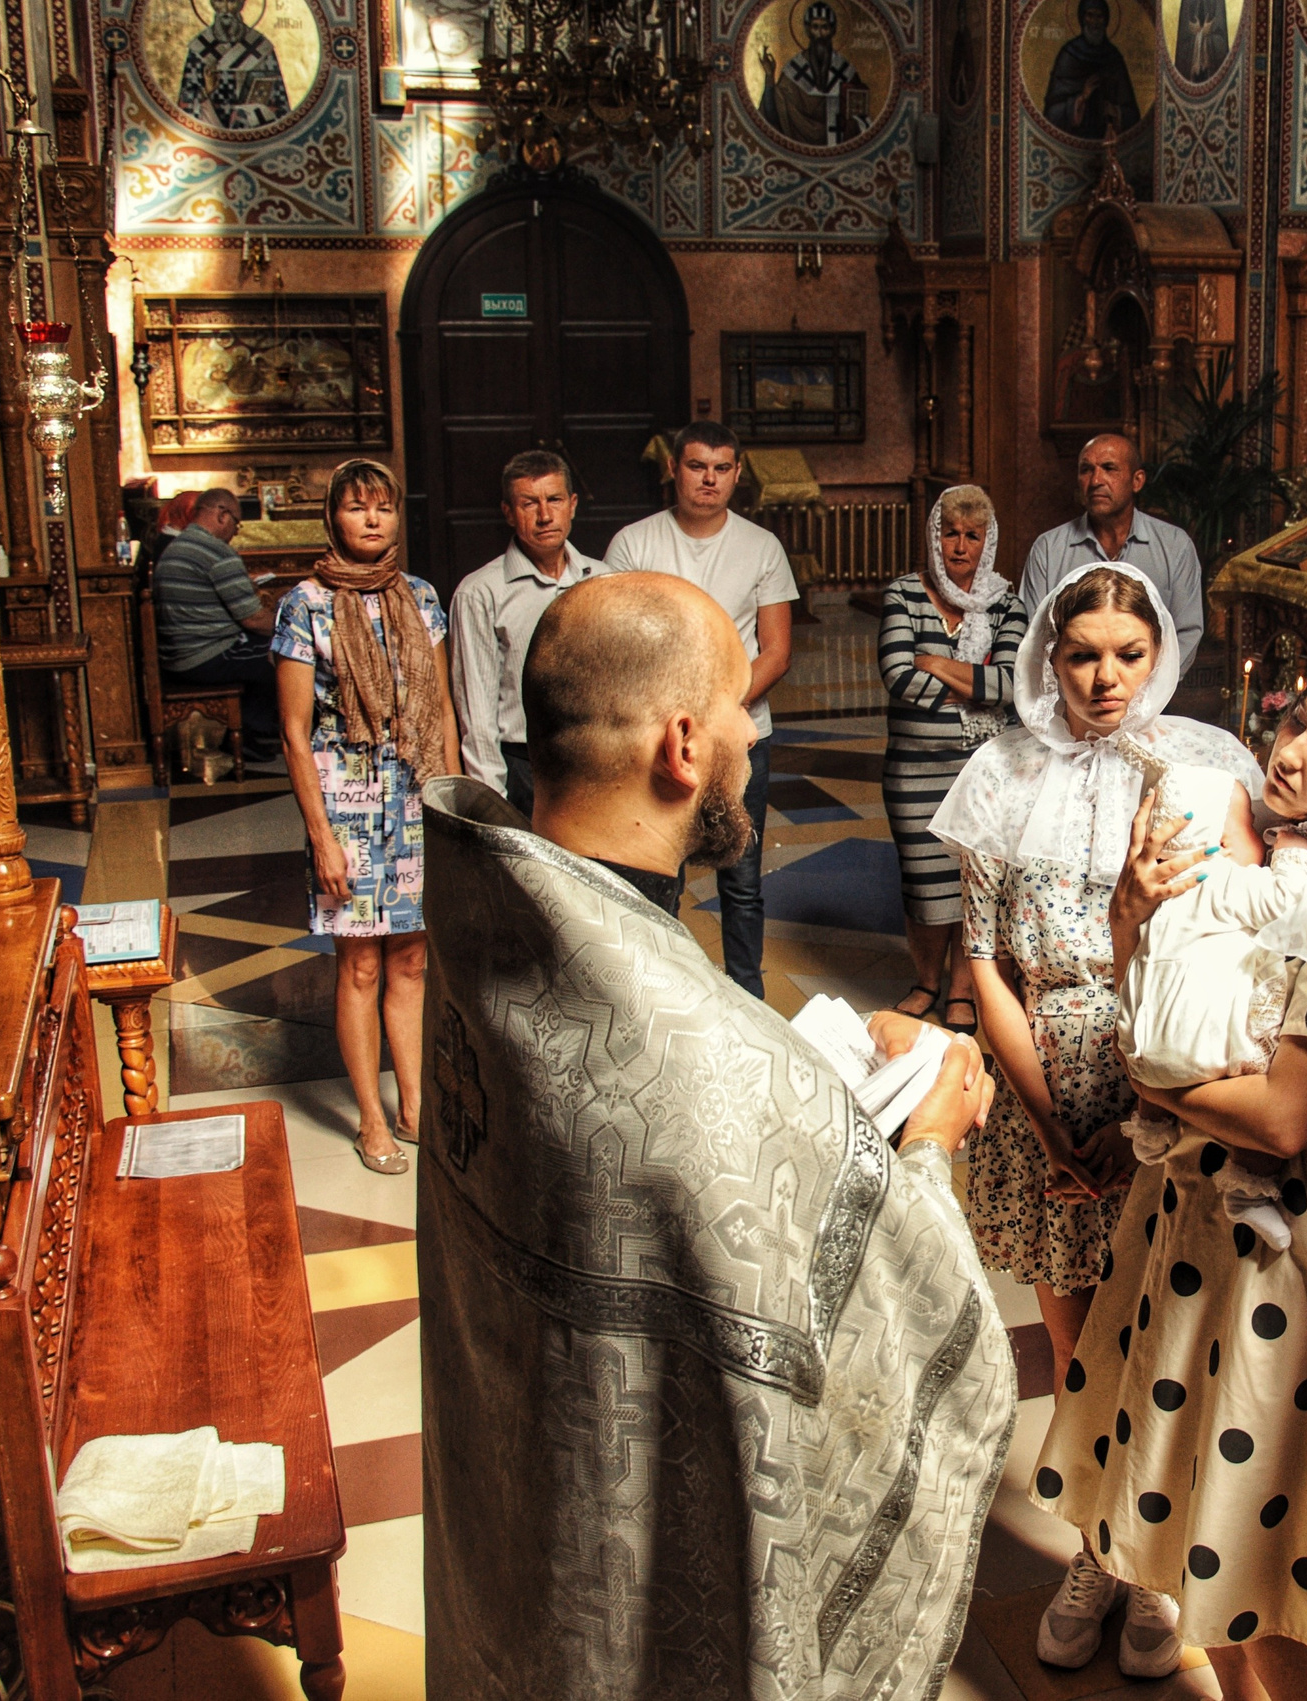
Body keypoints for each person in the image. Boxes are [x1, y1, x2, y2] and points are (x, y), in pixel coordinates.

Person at [418, 570, 1016, 1701]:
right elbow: (917, 1335)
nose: (752, 729)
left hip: (521, 1544)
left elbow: (657, 1096)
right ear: (683, 744)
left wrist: (808, 1076)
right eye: (741, 705)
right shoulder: (715, 1070)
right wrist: (927, 1136)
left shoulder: (490, 926)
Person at [1031, 647, 1307, 1698]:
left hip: (1300, 1226)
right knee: (1207, 1533)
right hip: (1198, 1202)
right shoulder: (1292, 864)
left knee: (1269, 1560)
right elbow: (1164, 991)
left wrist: (1148, 1088)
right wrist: (1127, 918)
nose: (1289, 756)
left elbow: (1284, 1119)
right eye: (1294, 724)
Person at [929, 563, 1262, 1669]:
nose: (1107, 676)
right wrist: (1051, 1122)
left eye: (1130, 653)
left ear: (1160, 651)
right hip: (1041, 1079)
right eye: (1083, 655)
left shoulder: (1202, 768)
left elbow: (1234, 946)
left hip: (1164, 1078)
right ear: (1047, 658)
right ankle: (1093, 1546)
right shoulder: (1001, 771)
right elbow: (982, 957)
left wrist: (1139, 1112)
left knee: (1164, 1343)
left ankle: (1156, 1564)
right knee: (1078, 1354)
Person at [274, 460, 461, 1176]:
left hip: (415, 792)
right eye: (357, 508)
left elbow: (440, 708)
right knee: (358, 965)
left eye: (383, 506)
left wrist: (449, 800)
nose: (373, 520)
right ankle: (372, 1116)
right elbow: (294, 732)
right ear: (334, 518)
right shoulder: (305, 605)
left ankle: (414, 1105)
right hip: (345, 800)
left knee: (411, 960)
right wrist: (321, 836)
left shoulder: (420, 596)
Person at [606, 420, 799, 998]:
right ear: (674, 469)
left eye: (720, 469)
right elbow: (620, 642)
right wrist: (676, 719)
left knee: (741, 880)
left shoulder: (761, 546)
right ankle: (663, 997)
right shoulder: (634, 543)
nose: (708, 480)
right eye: (696, 466)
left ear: (737, 474)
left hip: (740, 738)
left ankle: (747, 999)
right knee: (660, 874)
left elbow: (778, 651)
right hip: (655, 737)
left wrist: (716, 714)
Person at [880, 485, 1028, 1033]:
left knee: (972, 882)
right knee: (923, 883)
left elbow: (1008, 684)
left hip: (984, 771)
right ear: (933, 535)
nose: (959, 547)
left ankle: (964, 989)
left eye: (973, 535)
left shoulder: (1008, 604)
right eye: (949, 533)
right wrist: (972, 685)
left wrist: (935, 663)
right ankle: (927, 982)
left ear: (987, 543)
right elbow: (898, 675)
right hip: (914, 769)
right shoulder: (902, 593)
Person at [450, 449, 602, 817]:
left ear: (573, 504)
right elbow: (477, 712)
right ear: (508, 512)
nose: (545, 515)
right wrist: (491, 803)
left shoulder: (605, 580)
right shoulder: (480, 593)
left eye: (554, 500)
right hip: (523, 766)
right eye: (529, 504)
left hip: (597, 761)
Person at [1018, 434, 1206, 676]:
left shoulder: (1175, 546)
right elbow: (1034, 638)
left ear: (1137, 481)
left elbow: (1187, 633)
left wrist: (1142, 692)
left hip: (1152, 702)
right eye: (1086, 470)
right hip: (1068, 703)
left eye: (1109, 468)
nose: (1096, 480)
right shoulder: (1047, 550)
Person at [155, 486, 282, 756]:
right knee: (284, 652)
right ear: (222, 515)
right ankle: (252, 732)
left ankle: (254, 726)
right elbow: (253, 619)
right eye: (237, 523)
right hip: (204, 656)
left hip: (179, 655)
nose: (236, 531)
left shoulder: (177, 546)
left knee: (268, 647)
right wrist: (295, 626)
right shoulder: (217, 553)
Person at [760, 0, 871, 145]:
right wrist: (769, 76)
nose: (819, 34)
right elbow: (772, 115)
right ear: (807, 30)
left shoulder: (846, 71)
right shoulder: (794, 71)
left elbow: (861, 118)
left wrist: (850, 123)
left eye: (824, 27)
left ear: (833, 30)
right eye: (815, 27)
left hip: (838, 150)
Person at [177, 0, 291, 130]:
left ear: (242, 3)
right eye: (219, 2)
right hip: (211, 132)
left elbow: (281, 106)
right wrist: (206, 90)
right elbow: (185, 104)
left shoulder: (261, 47)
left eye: (231, 1)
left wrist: (251, 111)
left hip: (251, 134)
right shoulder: (199, 48)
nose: (225, 9)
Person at [1043, 0, 1142, 137]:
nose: (1094, 22)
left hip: (1108, 137)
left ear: (1106, 20)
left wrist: (1115, 111)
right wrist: (1081, 99)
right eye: (1090, 15)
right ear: (1082, 18)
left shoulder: (1113, 57)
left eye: (1099, 16)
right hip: (1074, 139)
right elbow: (1051, 113)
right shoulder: (1069, 54)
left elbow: (1133, 114)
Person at [1175, 0, 1229, 80]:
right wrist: (1190, 29)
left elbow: (1221, 29)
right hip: (1191, 59)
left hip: (1211, 62)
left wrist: (1212, 28)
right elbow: (1183, 31)